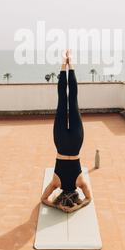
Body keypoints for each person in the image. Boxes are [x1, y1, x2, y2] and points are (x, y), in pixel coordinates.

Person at [41, 50, 92, 213]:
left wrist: (76, 207)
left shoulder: (80, 182)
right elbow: (43, 200)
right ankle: (64, 64)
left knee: (73, 100)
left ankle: (70, 64)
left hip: (76, 142)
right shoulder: (56, 182)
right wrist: (58, 206)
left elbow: (89, 199)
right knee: (63, 101)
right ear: (61, 195)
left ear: (75, 195)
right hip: (61, 141)